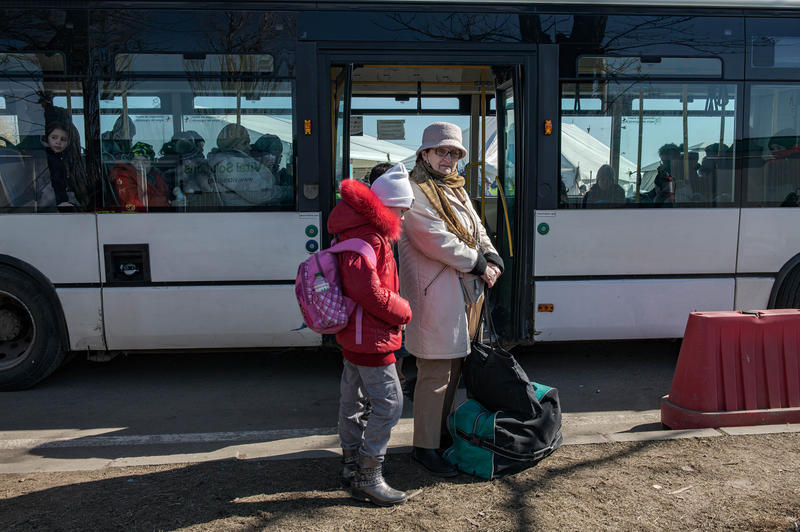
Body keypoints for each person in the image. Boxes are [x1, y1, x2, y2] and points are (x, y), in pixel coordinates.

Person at [399, 122, 503, 477]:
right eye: (441, 151)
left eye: (454, 153)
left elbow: (478, 229)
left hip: (463, 293)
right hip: (437, 295)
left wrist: (492, 258)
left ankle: (440, 438)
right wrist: (479, 264)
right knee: (436, 373)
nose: (448, 159)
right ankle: (424, 447)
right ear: (424, 154)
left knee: (454, 369)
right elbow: (433, 239)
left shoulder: (455, 189)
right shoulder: (415, 191)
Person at [327, 163, 414, 506]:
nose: (404, 217)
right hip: (371, 335)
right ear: (387, 205)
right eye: (402, 209)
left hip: (355, 332)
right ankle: (368, 474)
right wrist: (403, 310)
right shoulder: (370, 236)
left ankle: (351, 465)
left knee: (353, 400)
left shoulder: (354, 229)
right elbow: (369, 292)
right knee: (390, 404)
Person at [208, 124, 273, 206]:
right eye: (244, 143)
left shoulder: (233, 162)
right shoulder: (231, 165)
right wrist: (287, 192)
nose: (249, 147)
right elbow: (261, 194)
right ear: (232, 146)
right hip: (247, 214)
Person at [111, 141, 171, 211]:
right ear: (130, 162)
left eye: (144, 162)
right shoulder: (124, 177)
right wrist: (167, 204)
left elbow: (166, 194)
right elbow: (135, 203)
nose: (140, 166)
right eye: (135, 162)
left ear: (151, 164)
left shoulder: (155, 177)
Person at [42, 121, 79, 209]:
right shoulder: (49, 159)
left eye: (63, 139)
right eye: (54, 138)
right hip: (49, 201)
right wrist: (61, 201)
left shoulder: (63, 158)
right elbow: (57, 183)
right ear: (47, 139)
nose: (58, 142)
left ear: (68, 143)